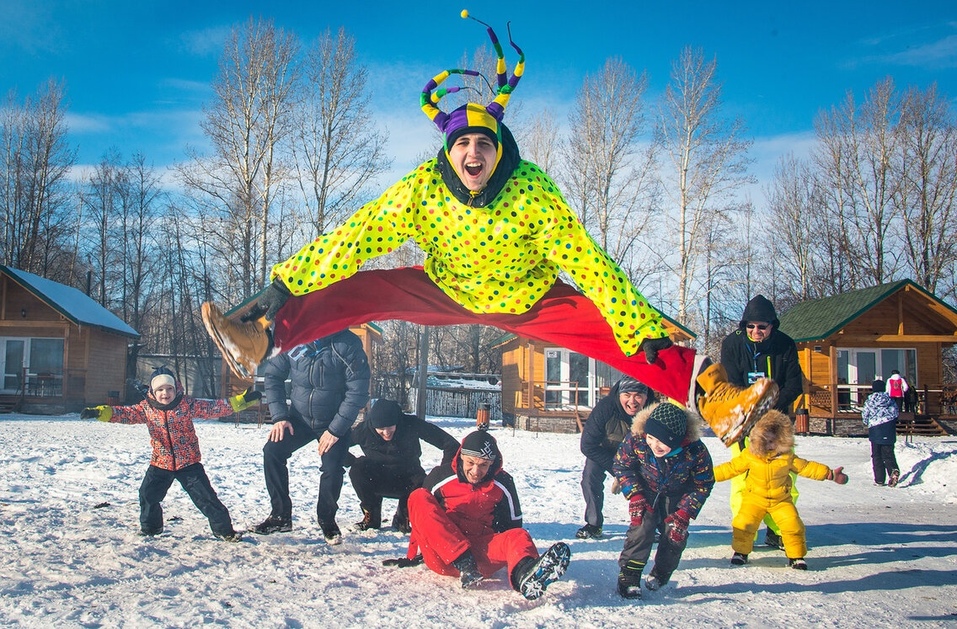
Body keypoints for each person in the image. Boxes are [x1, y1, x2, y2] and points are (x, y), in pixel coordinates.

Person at [200, 11, 778, 450]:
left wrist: (635, 324)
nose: (472, 153)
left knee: (627, 324)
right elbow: (358, 234)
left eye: (483, 143)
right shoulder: (423, 187)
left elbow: (590, 262)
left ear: (497, 150)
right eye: (462, 145)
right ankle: (262, 337)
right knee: (361, 289)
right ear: (448, 152)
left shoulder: (532, 190)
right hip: (448, 287)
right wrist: (280, 288)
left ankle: (717, 398)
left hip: (529, 296)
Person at [385, 430, 571, 600]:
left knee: (519, 535)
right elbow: (423, 517)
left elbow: (513, 526)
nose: (476, 471)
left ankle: (525, 575)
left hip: (480, 559)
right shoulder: (440, 476)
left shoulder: (503, 483)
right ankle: (463, 562)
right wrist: (412, 556)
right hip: (443, 556)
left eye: (483, 465)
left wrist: (513, 555)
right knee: (418, 496)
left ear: (492, 464)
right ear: (461, 457)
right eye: (471, 463)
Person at [81, 366, 261, 541]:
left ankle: (225, 531)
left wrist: (241, 402)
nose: (165, 393)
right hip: (161, 463)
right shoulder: (147, 408)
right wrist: (100, 412)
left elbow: (212, 408)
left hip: (188, 463)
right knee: (147, 494)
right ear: (152, 391)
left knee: (206, 498)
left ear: (176, 389)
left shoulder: (186, 405)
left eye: (169, 389)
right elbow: (124, 414)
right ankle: (152, 528)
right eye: (160, 389)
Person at [253, 331, 370, 545]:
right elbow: (273, 377)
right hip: (299, 419)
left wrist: (335, 430)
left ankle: (327, 519)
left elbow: (358, 392)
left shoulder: (348, 344)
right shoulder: (293, 339)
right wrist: (279, 416)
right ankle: (280, 516)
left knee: (333, 468)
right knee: (272, 452)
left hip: (333, 421)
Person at [712, 410, 849, 570]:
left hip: (781, 501)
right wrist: (708, 475)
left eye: (774, 441)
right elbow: (730, 468)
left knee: (793, 525)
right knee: (743, 523)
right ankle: (741, 552)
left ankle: (796, 556)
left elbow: (807, 467)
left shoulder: (787, 457)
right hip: (754, 499)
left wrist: (830, 474)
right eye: (766, 440)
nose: (770, 445)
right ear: (758, 439)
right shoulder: (750, 455)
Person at [720, 294, 804, 550]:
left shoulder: (785, 344)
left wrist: (770, 408)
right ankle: (744, 530)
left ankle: (778, 530)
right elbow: (731, 383)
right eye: (751, 326)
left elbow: (794, 384)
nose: (756, 331)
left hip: (776, 422)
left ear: (772, 326)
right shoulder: (732, 344)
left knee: (782, 477)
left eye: (762, 327)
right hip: (742, 421)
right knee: (743, 477)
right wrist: (749, 411)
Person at [612, 402, 714, 599]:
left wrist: (685, 512)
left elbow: (703, 483)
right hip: (645, 490)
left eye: (661, 442)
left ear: (677, 440)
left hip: (677, 495)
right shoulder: (637, 438)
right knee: (642, 527)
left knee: (674, 534)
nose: (654, 445)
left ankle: (662, 572)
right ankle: (629, 576)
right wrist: (635, 494)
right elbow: (622, 465)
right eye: (651, 438)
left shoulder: (696, 451)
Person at [346, 398, 459, 533]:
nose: (386, 432)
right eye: (381, 429)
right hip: (377, 478)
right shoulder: (363, 430)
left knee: (422, 482)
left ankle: (403, 517)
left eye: (390, 427)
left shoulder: (411, 424)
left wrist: (443, 473)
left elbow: (450, 444)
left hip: (408, 478)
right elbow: (337, 447)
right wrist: (350, 461)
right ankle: (372, 514)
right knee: (358, 468)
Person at [577, 377, 654, 540]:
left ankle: (650, 526)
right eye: (627, 395)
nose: (632, 401)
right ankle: (594, 524)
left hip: (640, 456)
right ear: (619, 395)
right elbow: (587, 445)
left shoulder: (654, 411)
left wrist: (631, 474)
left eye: (638, 395)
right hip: (605, 451)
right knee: (590, 477)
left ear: (646, 396)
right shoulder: (605, 409)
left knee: (652, 480)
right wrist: (618, 472)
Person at [861, 379, 900, 487]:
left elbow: (865, 414)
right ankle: (893, 470)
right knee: (888, 453)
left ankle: (879, 479)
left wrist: (867, 422)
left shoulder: (870, 400)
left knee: (876, 455)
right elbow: (896, 412)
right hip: (888, 428)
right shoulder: (890, 399)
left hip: (875, 429)